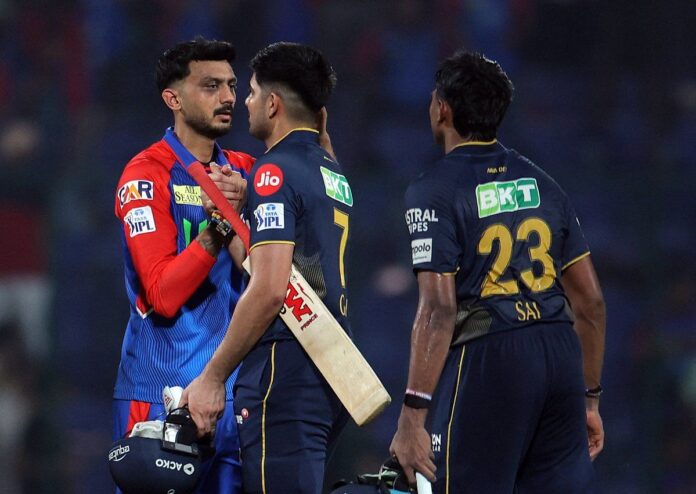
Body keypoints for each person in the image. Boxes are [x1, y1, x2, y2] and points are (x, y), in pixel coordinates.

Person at [389, 51, 606, 493]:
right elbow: (591, 302)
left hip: (494, 354)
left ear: (443, 109)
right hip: (560, 354)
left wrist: (412, 417)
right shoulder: (544, 183)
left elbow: (438, 308)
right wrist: (588, 399)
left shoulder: (433, 189)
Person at [181, 42, 350, 494]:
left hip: (284, 371)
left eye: (253, 92)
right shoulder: (332, 171)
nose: (245, 102)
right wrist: (235, 218)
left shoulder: (273, 172)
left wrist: (212, 377)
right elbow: (279, 272)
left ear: (273, 104)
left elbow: (270, 289)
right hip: (327, 369)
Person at [113, 37, 253, 494]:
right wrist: (219, 228)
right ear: (173, 99)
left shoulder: (248, 173)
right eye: (210, 86)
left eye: (231, 86)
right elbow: (164, 294)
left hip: (238, 399)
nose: (227, 97)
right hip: (161, 394)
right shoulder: (145, 175)